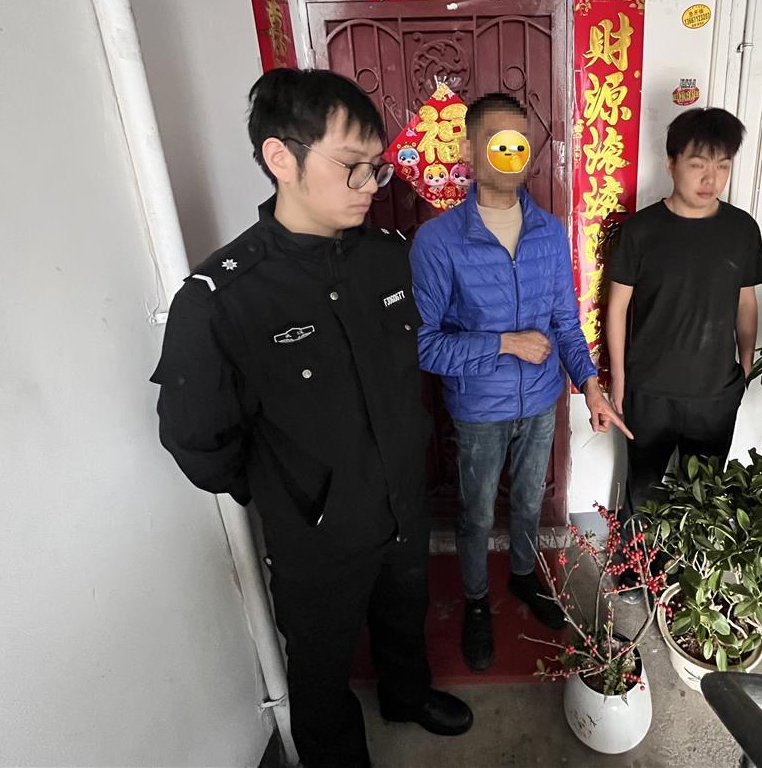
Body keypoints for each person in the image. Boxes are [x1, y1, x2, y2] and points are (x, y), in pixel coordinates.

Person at [150, 69, 472, 768]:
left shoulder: (386, 258)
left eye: (376, 166)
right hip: (316, 531)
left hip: (403, 498)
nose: (370, 185)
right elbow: (197, 439)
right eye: (351, 166)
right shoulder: (222, 297)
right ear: (281, 158)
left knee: (404, 609)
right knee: (321, 666)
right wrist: (295, 491)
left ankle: (407, 694)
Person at [410, 92, 631, 672]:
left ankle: (526, 576)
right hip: (478, 407)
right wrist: (504, 343)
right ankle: (476, 601)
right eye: (497, 142)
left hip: (540, 401)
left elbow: (565, 322)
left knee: (530, 501)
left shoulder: (549, 233)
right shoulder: (438, 241)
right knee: (477, 514)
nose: (511, 155)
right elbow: (425, 344)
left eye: (520, 144)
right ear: (469, 150)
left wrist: (589, 384)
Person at [605, 107, 762, 597]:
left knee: (704, 492)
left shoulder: (741, 229)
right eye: (699, 164)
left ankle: (689, 580)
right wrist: (619, 382)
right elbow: (617, 309)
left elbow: (746, 300)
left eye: (723, 165)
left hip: (714, 392)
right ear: (672, 163)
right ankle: (636, 571)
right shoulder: (641, 231)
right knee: (643, 489)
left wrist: (745, 366)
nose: (710, 178)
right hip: (649, 390)